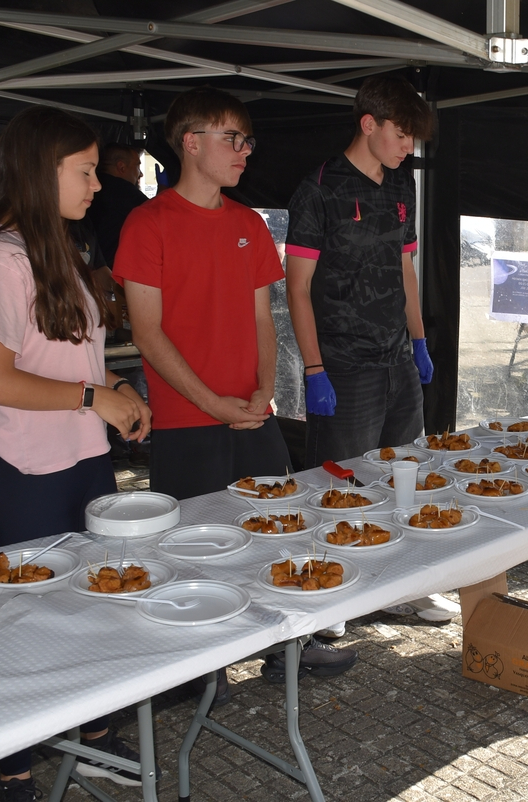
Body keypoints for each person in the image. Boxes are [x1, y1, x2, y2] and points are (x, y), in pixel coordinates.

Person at [115, 87, 356, 690]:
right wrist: (211, 403)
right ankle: (202, 665)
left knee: (277, 534)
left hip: (253, 413)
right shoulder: (147, 224)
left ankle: (286, 646)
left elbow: (262, 321)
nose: (246, 151)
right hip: (187, 420)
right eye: (233, 138)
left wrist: (262, 392)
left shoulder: (248, 222)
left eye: (248, 140)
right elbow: (147, 333)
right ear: (191, 143)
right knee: (194, 547)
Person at [0, 105, 153, 802]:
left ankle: (94, 740)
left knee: (89, 606)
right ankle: (15, 770)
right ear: (41, 173)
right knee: (29, 622)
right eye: (86, 170)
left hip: (80, 457)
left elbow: (72, 358)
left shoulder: (57, 248)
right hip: (27, 471)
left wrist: (116, 385)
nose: (99, 184)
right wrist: (95, 400)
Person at [285, 74, 458, 630]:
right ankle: (330, 595)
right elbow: (297, 286)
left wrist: (419, 340)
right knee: (339, 482)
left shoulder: (400, 186)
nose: (409, 148)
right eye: (403, 135)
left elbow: (406, 266)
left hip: (395, 359)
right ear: (369, 124)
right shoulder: (319, 189)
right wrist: (314, 368)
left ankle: (401, 586)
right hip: (343, 362)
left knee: (404, 473)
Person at [89, 143, 148, 266]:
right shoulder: (125, 192)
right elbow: (158, 215)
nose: (141, 173)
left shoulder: (92, 190)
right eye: (137, 166)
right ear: (121, 167)